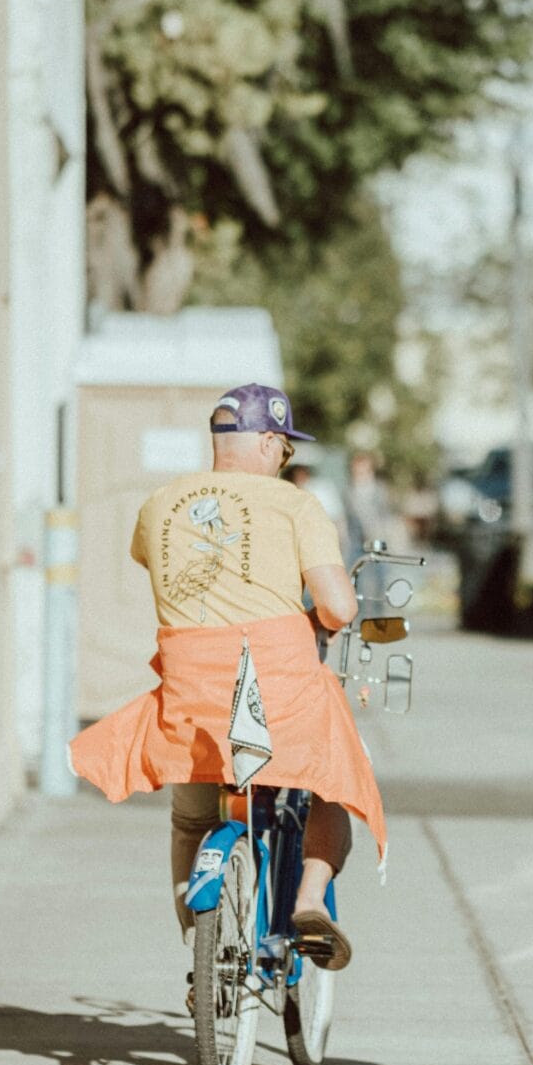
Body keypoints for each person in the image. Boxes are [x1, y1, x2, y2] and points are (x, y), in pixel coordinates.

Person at [69, 383, 384, 972]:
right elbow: (338, 608)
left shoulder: (161, 503)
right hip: (280, 687)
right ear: (268, 441)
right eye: (285, 449)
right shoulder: (295, 506)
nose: (286, 460)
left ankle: (202, 944)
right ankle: (311, 900)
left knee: (192, 816)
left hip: (195, 693)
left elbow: (153, 562)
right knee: (333, 781)